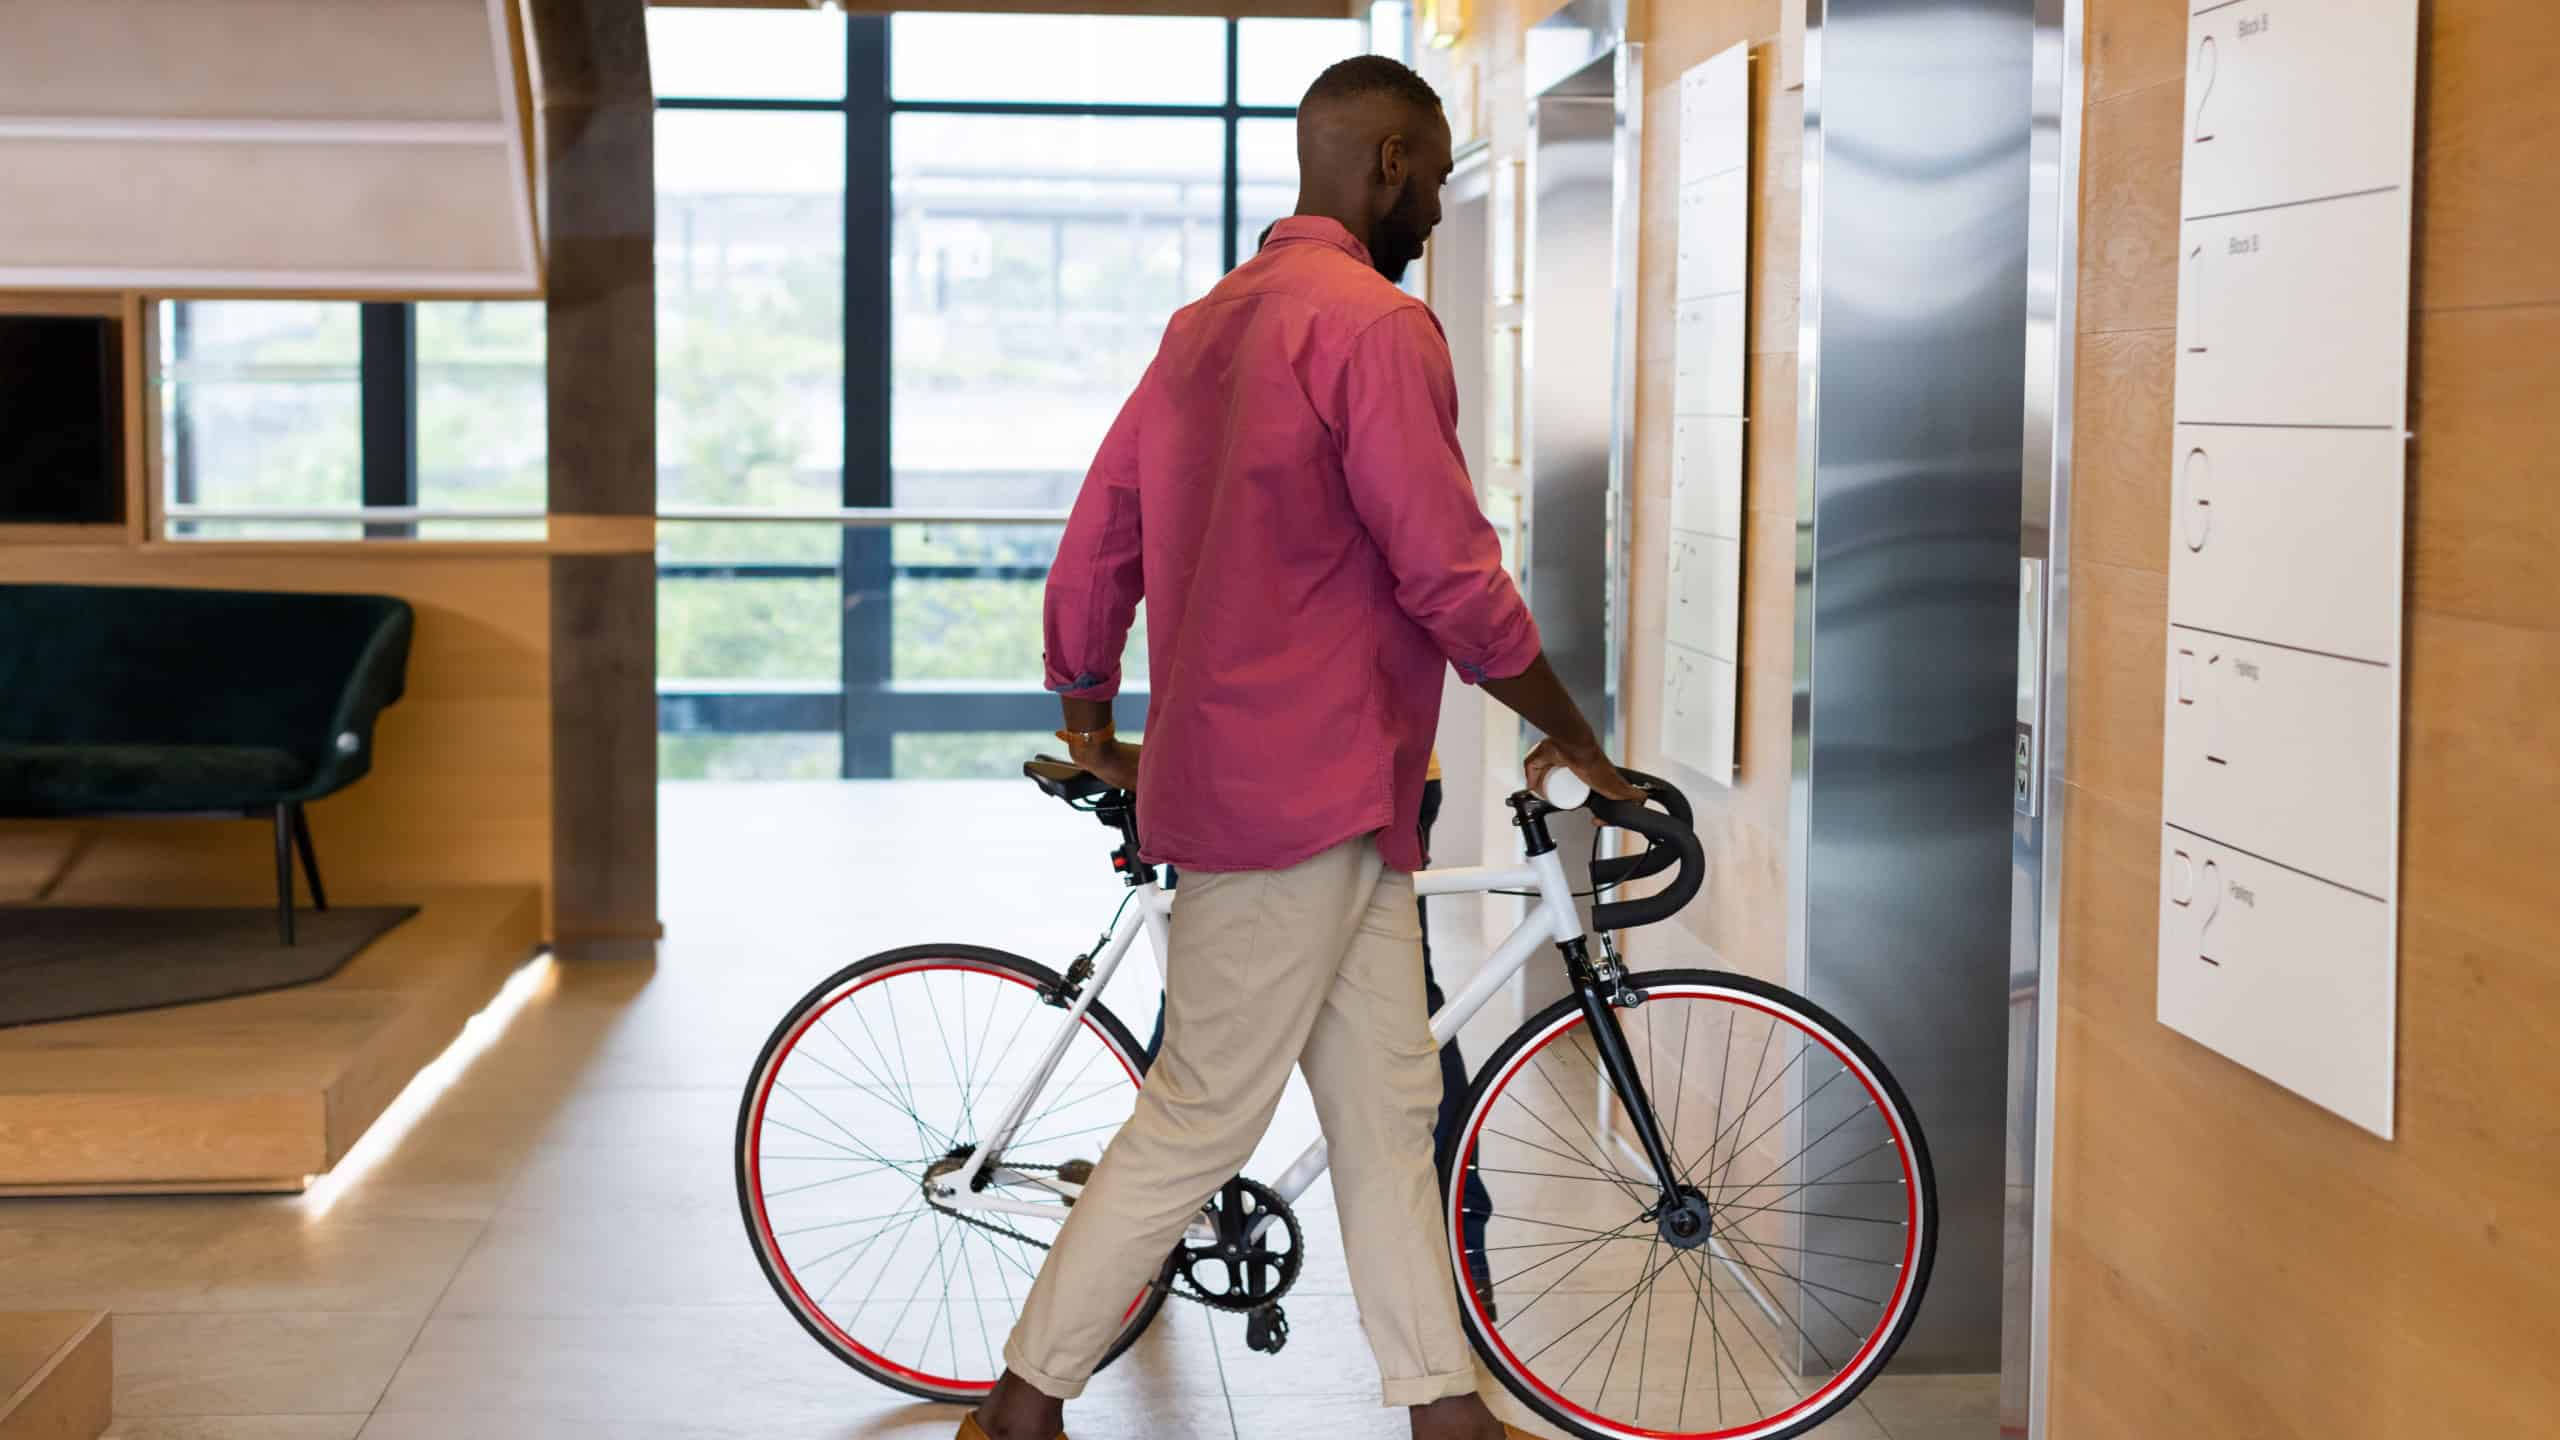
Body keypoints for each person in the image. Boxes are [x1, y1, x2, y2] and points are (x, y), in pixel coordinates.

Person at [966, 55, 1636, 1440]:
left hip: (1319, 802)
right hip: (1304, 795)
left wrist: (1089, 707)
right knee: (1205, 1114)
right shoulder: (1374, 328)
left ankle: (1443, 1415)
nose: (1440, 210)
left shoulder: (1206, 324)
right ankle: (1020, 1409)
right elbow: (1450, 575)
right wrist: (1576, 734)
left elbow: (1102, 533)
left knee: (1391, 1116)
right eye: (1438, 177)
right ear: (1387, 161)